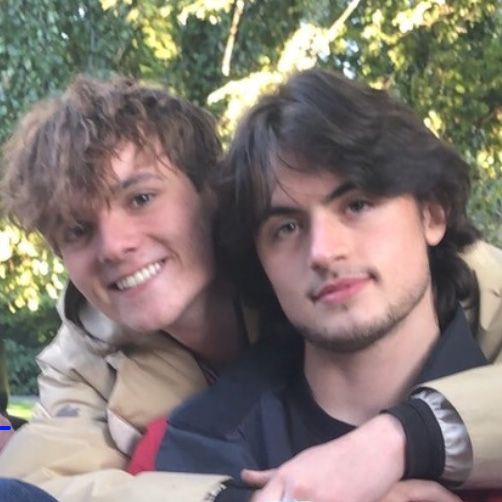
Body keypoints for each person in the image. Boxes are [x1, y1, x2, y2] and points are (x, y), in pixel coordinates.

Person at [0, 72, 500, 502]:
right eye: (77, 230)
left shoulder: (456, 273)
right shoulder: (85, 366)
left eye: (141, 199)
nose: (112, 245)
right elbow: (38, 485)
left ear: (212, 195)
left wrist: (398, 440)